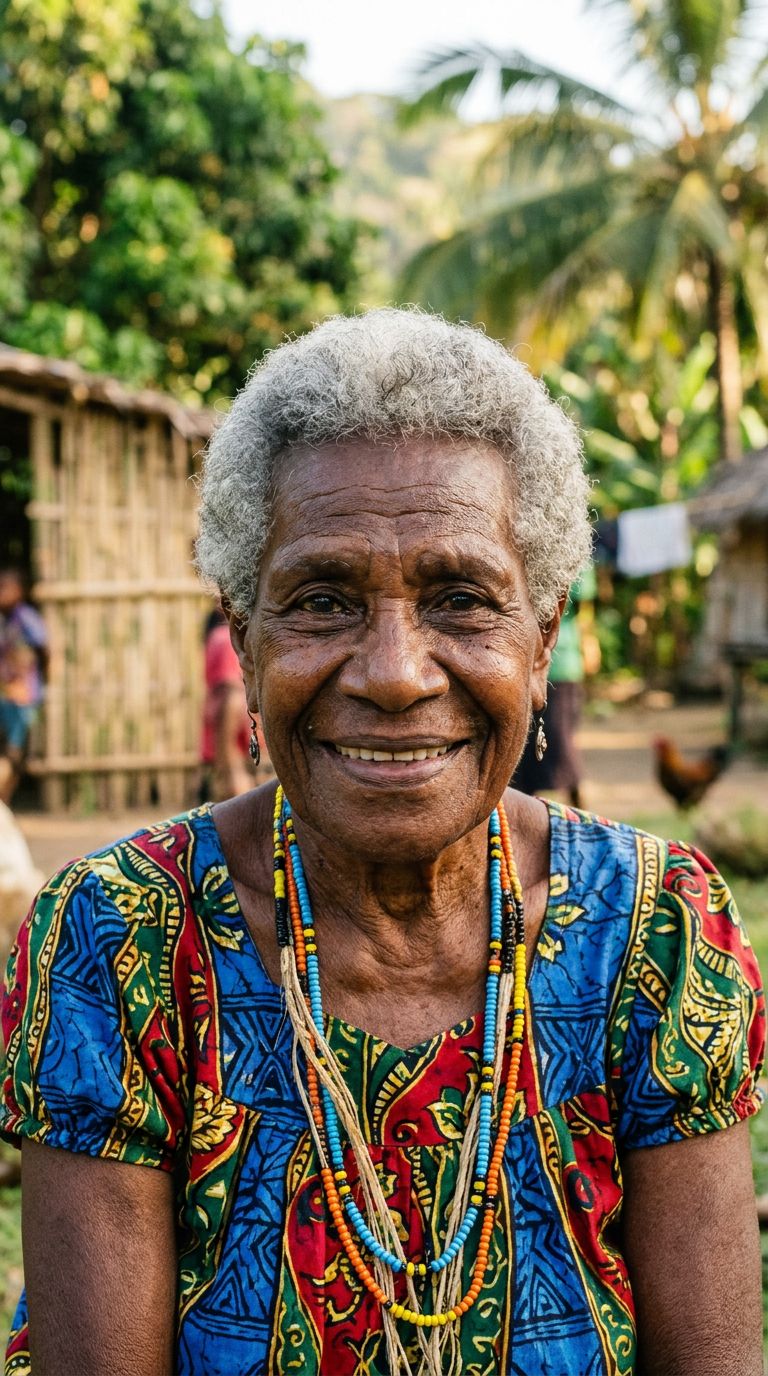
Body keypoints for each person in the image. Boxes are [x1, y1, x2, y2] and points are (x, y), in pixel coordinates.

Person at [0, 310, 763, 1376]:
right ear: (244, 635)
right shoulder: (121, 938)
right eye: (321, 600)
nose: (396, 672)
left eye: (461, 598)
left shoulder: (659, 930)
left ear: (541, 641)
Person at [513, 566, 597, 808]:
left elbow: (583, 608)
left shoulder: (574, 559)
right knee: (524, 741)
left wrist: (589, 643)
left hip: (560, 665)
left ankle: (578, 802)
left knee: (560, 737)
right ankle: (522, 806)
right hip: (523, 663)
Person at [0, 569, 48, 804]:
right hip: (8, 694)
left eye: (5, 589)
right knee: (12, 752)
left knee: (15, 754)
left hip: (23, 694)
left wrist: (42, 682)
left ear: (20, 591)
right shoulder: (5, 621)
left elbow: (43, 648)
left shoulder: (26, 618)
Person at [200, 603, 255, 801]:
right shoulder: (226, 638)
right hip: (231, 713)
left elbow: (229, 687)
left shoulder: (219, 638)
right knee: (233, 770)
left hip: (226, 713)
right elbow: (232, 688)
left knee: (232, 770)